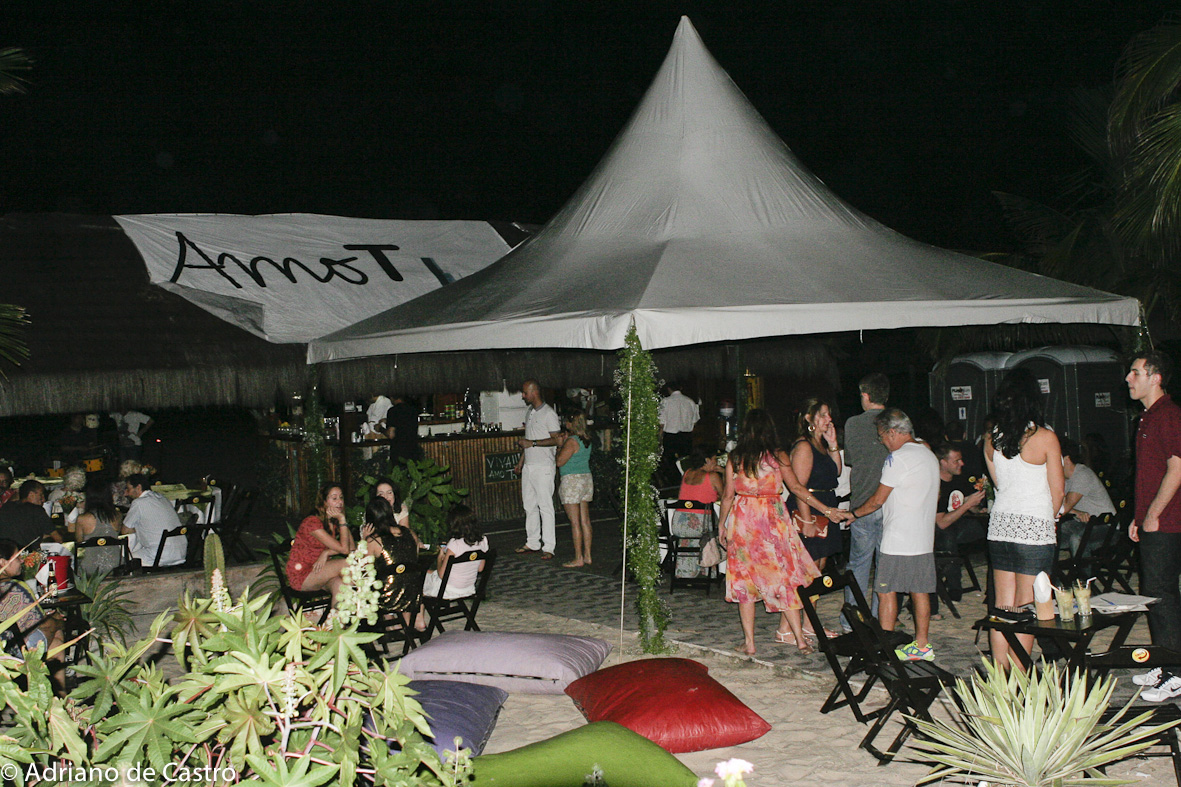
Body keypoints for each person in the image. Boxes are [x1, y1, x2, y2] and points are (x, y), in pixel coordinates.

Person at [719, 409, 848, 657]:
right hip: (772, 520)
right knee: (784, 577)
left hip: (744, 522)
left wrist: (722, 526)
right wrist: (826, 510)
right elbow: (797, 488)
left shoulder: (736, 457)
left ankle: (750, 643)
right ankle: (800, 640)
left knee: (745, 583)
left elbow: (727, 496)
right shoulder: (778, 456)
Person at [984, 369, 1064, 670]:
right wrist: (1049, 518)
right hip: (1033, 528)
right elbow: (1058, 491)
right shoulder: (1045, 437)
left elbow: (999, 484)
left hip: (1001, 526)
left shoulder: (991, 438)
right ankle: (1019, 675)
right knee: (1026, 606)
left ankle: (999, 676)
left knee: (1002, 606)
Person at [852, 409, 941, 661]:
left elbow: (877, 500)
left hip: (898, 538)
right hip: (923, 537)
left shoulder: (898, 458)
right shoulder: (927, 453)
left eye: (882, 436)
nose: (882, 442)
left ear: (892, 432)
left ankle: (885, 646)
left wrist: (853, 514)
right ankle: (922, 644)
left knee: (886, 591)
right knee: (919, 591)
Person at [1126, 351, 1181, 700]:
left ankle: (1175, 673)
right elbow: (1149, 474)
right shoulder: (1147, 417)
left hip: (1168, 521)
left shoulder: (1170, 415)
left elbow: (1177, 468)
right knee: (1154, 594)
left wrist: (1153, 514)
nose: (1128, 379)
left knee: (1162, 594)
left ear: (1155, 377)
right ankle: (1163, 661)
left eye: (1135, 372)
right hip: (1153, 520)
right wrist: (1139, 516)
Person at [843, 372, 890, 626]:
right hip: (891, 503)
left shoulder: (853, 424)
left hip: (862, 503)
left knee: (859, 564)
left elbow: (850, 459)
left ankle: (853, 621)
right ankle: (881, 619)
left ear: (865, 395)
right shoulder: (897, 421)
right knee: (885, 565)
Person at [931, 443, 987, 612]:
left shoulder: (959, 478)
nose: (961, 463)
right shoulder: (935, 484)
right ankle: (954, 586)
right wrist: (967, 505)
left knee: (984, 526)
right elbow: (941, 522)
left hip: (958, 524)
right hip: (936, 528)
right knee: (947, 534)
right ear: (943, 463)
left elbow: (966, 503)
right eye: (956, 461)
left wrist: (977, 506)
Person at [0, 539, 66, 681]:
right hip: (14, 652)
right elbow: (42, 624)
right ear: (3, 562)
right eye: (17, 557)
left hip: (3, 647)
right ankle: (58, 692)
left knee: (54, 640)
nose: (21, 561)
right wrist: (58, 621)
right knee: (56, 635)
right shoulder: (15, 588)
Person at [790, 397, 844, 570]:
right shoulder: (804, 446)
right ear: (809, 418)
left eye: (829, 414)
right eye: (823, 415)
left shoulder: (820, 445)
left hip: (825, 505)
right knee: (810, 566)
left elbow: (836, 472)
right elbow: (798, 488)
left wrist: (833, 444)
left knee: (820, 564)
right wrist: (806, 521)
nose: (829, 419)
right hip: (810, 508)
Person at [416, 504, 489, 630]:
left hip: (448, 589)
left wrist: (440, 557)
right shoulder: (483, 540)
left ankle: (419, 620)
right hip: (468, 587)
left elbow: (442, 575)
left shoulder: (455, 544)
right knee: (428, 573)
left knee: (417, 578)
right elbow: (480, 568)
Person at [286, 483, 357, 605]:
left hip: (320, 571)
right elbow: (345, 550)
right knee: (347, 565)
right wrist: (342, 520)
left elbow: (352, 549)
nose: (339, 502)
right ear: (324, 502)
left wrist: (327, 552)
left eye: (341, 497)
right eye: (334, 498)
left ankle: (336, 617)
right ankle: (360, 607)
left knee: (340, 585)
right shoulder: (312, 523)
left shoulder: (332, 522)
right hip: (302, 575)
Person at [514, 379, 562, 558]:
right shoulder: (530, 412)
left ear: (534, 392)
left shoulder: (549, 413)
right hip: (529, 466)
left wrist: (533, 443)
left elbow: (557, 440)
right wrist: (521, 462)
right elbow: (528, 440)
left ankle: (549, 547)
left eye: (525, 393)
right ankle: (533, 541)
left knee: (545, 506)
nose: (523, 396)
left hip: (543, 466)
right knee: (529, 505)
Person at [362, 497, 422, 619]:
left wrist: (364, 541)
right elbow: (415, 558)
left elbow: (364, 569)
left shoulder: (374, 541)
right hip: (412, 592)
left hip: (388, 596)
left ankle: (389, 622)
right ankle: (409, 622)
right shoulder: (410, 533)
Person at [1058, 438, 1115, 559]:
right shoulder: (1063, 478)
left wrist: (1072, 511)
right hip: (1083, 524)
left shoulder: (1082, 474)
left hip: (1106, 526)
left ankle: (1083, 572)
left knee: (1077, 538)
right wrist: (1076, 512)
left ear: (1066, 459)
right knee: (1050, 534)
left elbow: (1064, 507)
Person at [121, 473, 186, 567]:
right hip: (180, 553)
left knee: (124, 559)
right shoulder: (162, 498)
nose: (126, 493)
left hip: (160, 555)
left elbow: (125, 530)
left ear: (138, 487)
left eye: (128, 489)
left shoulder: (139, 503)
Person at [556, 409, 594, 568]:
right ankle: (587, 555)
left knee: (575, 522)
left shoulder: (571, 441)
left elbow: (560, 462)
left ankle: (578, 557)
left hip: (572, 480)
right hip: (585, 479)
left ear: (572, 424)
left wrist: (560, 446)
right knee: (585, 520)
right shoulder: (586, 439)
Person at [73, 478, 125, 575]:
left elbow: (79, 542)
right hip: (115, 565)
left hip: (91, 567)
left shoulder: (82, 519)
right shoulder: (117, 516)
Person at [0, 480, 57, 548]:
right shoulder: (37, 510)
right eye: (41, 495)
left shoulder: (6, 507)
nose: (43, 500)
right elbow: (57, 537)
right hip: (28, 552)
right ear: (31, 495)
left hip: (6, 550)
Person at [659, 384, 699, 463]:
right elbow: (695, 421)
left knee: (670, 461)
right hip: (686, 436)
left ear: (668, 389)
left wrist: (660, 438)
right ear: (681, 388)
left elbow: (662, 422)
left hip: (671, 437)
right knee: (685, 461)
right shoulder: (690, 401)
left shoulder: (665, 401)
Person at [386, 394, 423, 463]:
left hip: (398, 450)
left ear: (392, 397)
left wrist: (380, 429)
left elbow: (391, 434)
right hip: (413, 449)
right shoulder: (412, 410)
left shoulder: (393, 411)